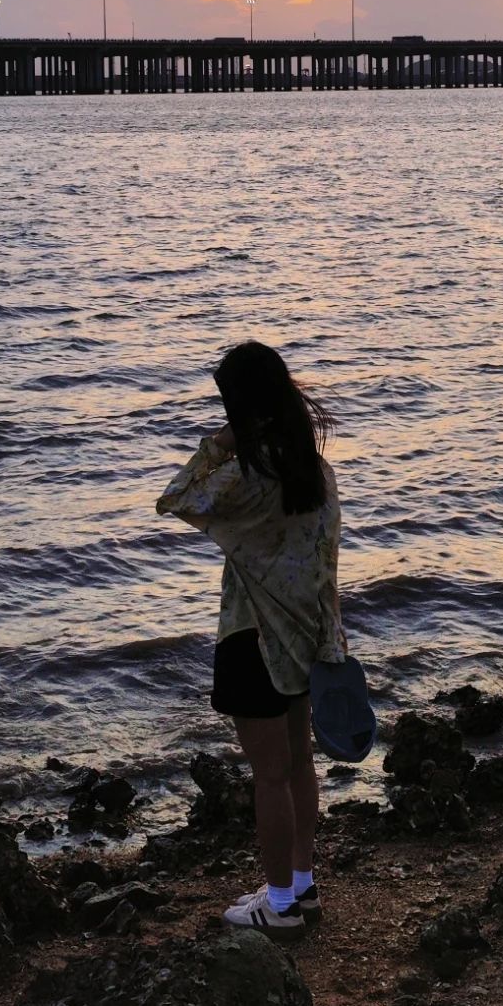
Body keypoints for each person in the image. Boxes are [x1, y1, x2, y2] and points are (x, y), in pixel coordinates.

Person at [156, 340, 345, 940]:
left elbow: (178, 498)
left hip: (252, 635)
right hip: (305, 635)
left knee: (269, 775)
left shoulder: (249, 474)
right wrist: (332, 642)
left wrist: (218, 444)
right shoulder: (311, 470)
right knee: (296, 765)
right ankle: (300, 886)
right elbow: (325, 562)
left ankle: (281, 905)